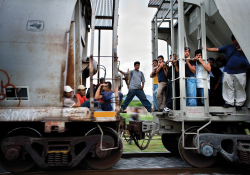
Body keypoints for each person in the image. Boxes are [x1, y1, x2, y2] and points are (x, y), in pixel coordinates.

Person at [206, 35, 250, 110]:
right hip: (228, 71)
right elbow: (217, 49)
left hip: (241, 71)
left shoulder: (246, 47)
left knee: (240, 87)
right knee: (228, 86)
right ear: (233, 41)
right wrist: (206, 49)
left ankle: (239, 104)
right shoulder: (229, 47)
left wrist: (243, 50)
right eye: (236, 39)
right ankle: (229, 102)